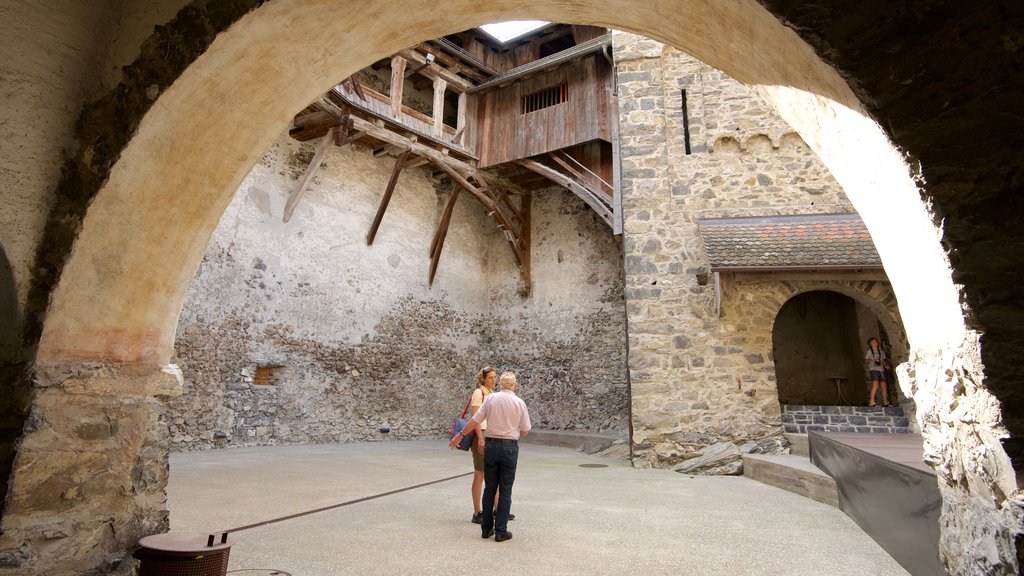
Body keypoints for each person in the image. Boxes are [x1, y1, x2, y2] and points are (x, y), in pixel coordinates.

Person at [449, 371, 531, 542]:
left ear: (501, 384)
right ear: (514, 385)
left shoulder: (491, 399)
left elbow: (476, 419)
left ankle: (486, 529)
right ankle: (501, 530)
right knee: (505, 489)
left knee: (490, 487)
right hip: (509, 447)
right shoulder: (519, 403)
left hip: (491, 445)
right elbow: (525, 430)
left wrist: (460, 435)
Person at [466, 367, 496, 524]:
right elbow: (475, 417)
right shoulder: (480, 393)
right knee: (480, 474)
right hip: (481, 435)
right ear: (483, 379)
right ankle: (477, 512)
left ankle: (498, 509)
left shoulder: (491, 394)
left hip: (490, 434)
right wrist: (480, 438)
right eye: (490, 377)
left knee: (493, 473)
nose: (493, 380)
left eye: (494, 377)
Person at [864, 337, 891, 407]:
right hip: (874, 369)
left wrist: (886, 365)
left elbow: (883, 361)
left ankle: (886, 402)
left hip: (881, 370)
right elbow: (865, 361)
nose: (875, 343)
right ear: (870, 344)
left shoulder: (881, 351)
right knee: (875, 385)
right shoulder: (869, 351)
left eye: (876, 341)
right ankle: (871, 402)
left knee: (884, 386)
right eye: (873, 342)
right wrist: (868, 361)